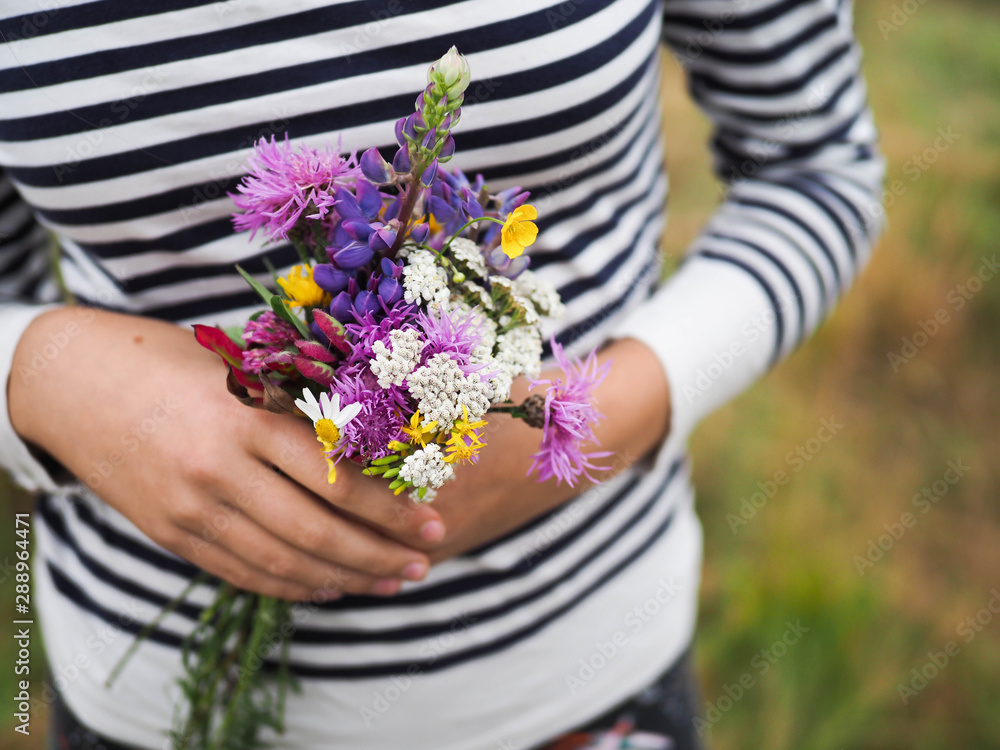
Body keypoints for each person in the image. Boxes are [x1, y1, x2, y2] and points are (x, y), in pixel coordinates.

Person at [0, 1, 884, 748]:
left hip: (575, 687)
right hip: (144, 700)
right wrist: (39, 370)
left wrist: (594, 411)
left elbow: (816, 167)